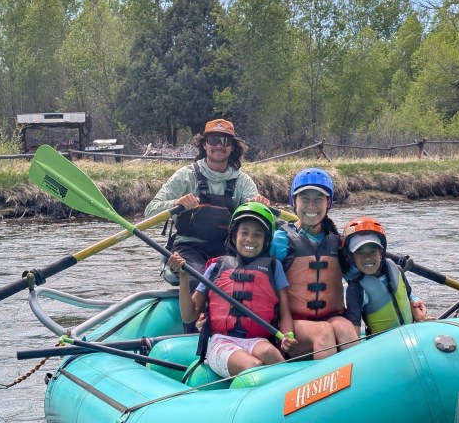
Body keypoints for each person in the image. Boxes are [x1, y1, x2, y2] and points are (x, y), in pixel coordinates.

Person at [167, 202, 297, 377]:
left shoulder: (274, 267)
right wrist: (183, 276)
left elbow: (284, 312)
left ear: (266, 241)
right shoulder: (217, 267)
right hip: (221, 341)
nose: (250, 239)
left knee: (272, 354)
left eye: (257, 235)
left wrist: (287, 336)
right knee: (254, 365)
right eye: (244, 233)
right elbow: (189, 316)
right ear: (234, 235)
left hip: (257, 340)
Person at [146, 118, 270, 292]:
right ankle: (196, 314)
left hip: (229, 248)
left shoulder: (243, 181)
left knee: (243, 277)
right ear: (204, 145)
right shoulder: (185, 176)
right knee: (201, 281)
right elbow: (150, 211)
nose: (219, 145)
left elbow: (260, 218)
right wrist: (176, 203)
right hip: (188, 249)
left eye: (225, 141)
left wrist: (258, 206)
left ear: (232, 147)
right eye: (213, 140)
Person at [270, 168, 358, 359]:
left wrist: (412, 298)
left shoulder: (338, 243)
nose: (312, 206)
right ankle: (327, 388)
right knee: (324, 331)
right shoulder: (280, 240)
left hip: (331, 316)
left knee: (345, 328)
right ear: (294, 202)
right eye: (305, 198)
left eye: (318, 199)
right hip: (292, 326)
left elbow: (365, 277)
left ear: (329, 203)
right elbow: (259, 279)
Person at [341, 216, 429, 336]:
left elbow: (408, 298)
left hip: (412, 333)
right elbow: (354, 328)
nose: (367, 257)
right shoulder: (356, 289)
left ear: (381, 252)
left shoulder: (397, 271)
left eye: (372, 251)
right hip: (384, 346)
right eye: (360, 252)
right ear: (351, 257)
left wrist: (419, 316)